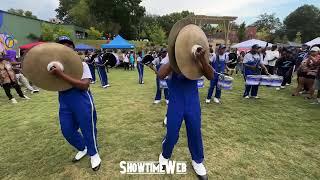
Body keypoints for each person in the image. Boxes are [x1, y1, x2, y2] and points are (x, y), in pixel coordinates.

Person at [158, 47, 214, 179]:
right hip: (176, 100)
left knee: (195, 132)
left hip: (192, 100)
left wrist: (202, 60)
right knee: (172, 133)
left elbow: (211, 76)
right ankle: (165, 155)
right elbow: (160, 74)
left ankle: (197, 161)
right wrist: (175, 59)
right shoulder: (171, 55)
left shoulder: (197, 55)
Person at [50, 36, 101, 171]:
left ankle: (94, 154)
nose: (65, 48)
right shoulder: (54, 67)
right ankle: (83, 147)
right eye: (61, 46)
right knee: (67, 130)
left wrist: (60, 75)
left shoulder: (81, 64)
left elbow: (84, 85)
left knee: (88, 128)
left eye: (68, 46)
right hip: (64, 101)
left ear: (73, 49)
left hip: (81, 99)